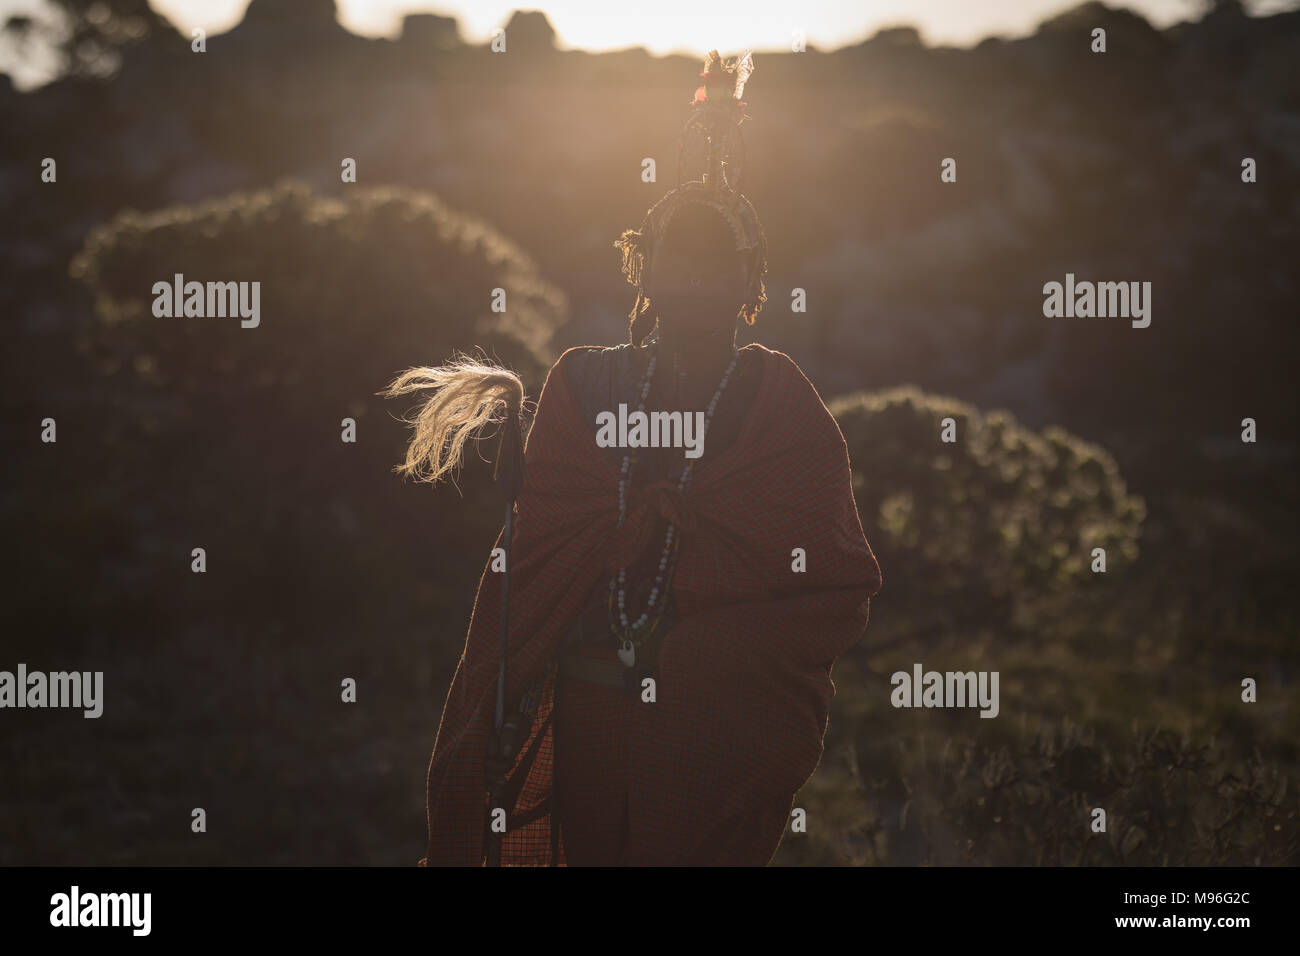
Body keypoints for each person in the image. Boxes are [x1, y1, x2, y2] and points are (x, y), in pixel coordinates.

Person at [389, 51, 882, 866]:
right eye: (675, 258)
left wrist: (701, 651)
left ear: (749, 281)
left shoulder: (778, 401)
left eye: (715, 261)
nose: (693, 277)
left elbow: (831, 585)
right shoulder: (584, 383)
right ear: (643, 269)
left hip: (706, 726)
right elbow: (536, 559)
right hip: (590, 714)